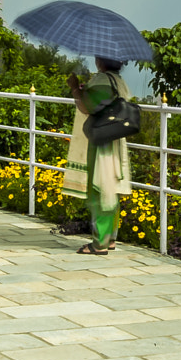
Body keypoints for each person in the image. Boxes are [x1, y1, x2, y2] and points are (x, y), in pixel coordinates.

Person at [64, 57, 134, 254]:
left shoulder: (102, 80)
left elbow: (88, 107)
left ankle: (99, 243)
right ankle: (110, 238)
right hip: (114, 138)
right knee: (111, 187)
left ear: (101, 61)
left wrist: (75, 88)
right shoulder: (116, 80)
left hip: (102, 142)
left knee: (101, 189)